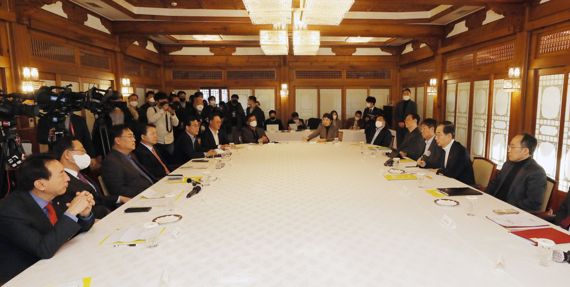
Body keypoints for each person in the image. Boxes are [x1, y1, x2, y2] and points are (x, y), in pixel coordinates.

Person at [0, 154, 95, 283]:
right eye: (61, 174)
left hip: (58, 260)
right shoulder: (10, 211)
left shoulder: (55, 194)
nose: (68, 178)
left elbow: (66, 231)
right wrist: (72, 212)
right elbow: (43, 249)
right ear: (40, 184)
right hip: (27, 275)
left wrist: (84, 215)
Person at [52, 136, 125, 219]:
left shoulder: (81, 175)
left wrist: (119, 198)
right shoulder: (62, 182)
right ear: (67, 155)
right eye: (82, 150)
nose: (86, 154)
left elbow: (97, 198)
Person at [486, 133, 547, 212]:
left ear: (525, 151)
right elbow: (494, 184)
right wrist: (485, 197)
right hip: (493, 205)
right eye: (509, 147)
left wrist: (504, 208)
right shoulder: (508, 164)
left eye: (512, 147)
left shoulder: (536, 172)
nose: (509, 150)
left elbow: (533, 203)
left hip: (511, 212)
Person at [101, 125, 154, 199]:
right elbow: (118, 190)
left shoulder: (130, 155)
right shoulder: (111, 162)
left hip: (151, 190)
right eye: (130, 136)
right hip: (136, 198)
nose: (134, 139)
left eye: (133, 136)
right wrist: (146, 191)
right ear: (118, 141)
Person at [146, 92, 179, 159]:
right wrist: (162, 110)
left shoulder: (169, 109)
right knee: (160, 159)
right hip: (158, 140)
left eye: (165, 100)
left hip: (170, 140)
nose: (165, 102)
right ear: (157, 101)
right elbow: (151, 120)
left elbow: (176, 124)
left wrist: (172, 114)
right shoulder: (151, 109)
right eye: (162, 100)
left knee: (170, 160)